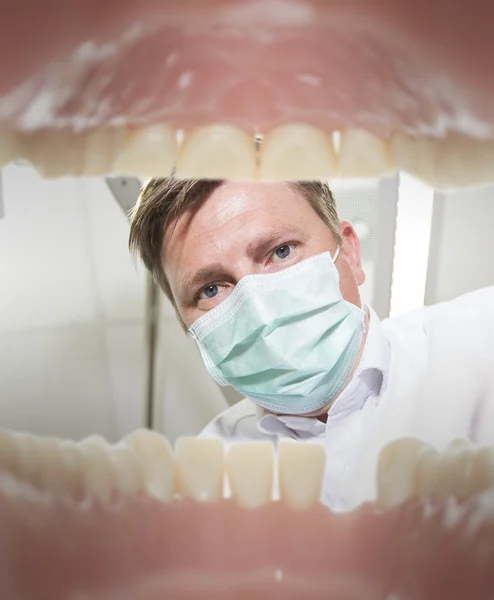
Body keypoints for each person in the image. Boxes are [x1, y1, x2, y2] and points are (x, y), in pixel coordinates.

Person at [129, 178, 494, 509]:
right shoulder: (200, 489)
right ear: (190, 327)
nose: (258, 309)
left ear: (349, 253)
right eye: (211, 289)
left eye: (281, 251)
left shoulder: (480, 340)